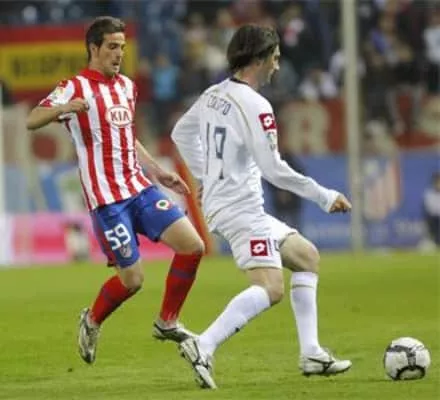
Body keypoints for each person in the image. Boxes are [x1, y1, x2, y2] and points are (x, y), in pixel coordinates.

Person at [171, 24, 352, 389]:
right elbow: (274, 170)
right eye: (275, 58)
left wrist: (206, 177)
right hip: (240, 209)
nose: (277, 66)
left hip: (228, 204)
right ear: (259, 58)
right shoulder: (257, 106)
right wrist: (324, 195)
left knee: (306, 256)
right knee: (271, 288)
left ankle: (311, 352)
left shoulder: (212, 94)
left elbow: (180, 133)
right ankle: (203, 344)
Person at [26, 16, 205, 365]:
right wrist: (63, 109)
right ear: (93, 48)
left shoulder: (126, 87)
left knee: (193, 246)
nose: (119, 53)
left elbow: (125, 136)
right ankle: (92, 320)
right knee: (132, 280)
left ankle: (167, 321)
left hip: (140, 189)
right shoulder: (74, 86)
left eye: (122, 47)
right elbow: (33, 119)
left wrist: (158, 171)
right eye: (112, 46)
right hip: (108, 201)